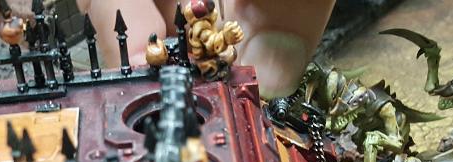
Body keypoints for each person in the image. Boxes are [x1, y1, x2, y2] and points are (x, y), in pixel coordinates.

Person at [77, 0, 335, 98]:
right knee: (227, 59)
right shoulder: (200, 30)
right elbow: (212, 45)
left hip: (212, 60)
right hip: (208, 64)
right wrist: (226, 37)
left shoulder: (203, 26)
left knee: (230, 56)